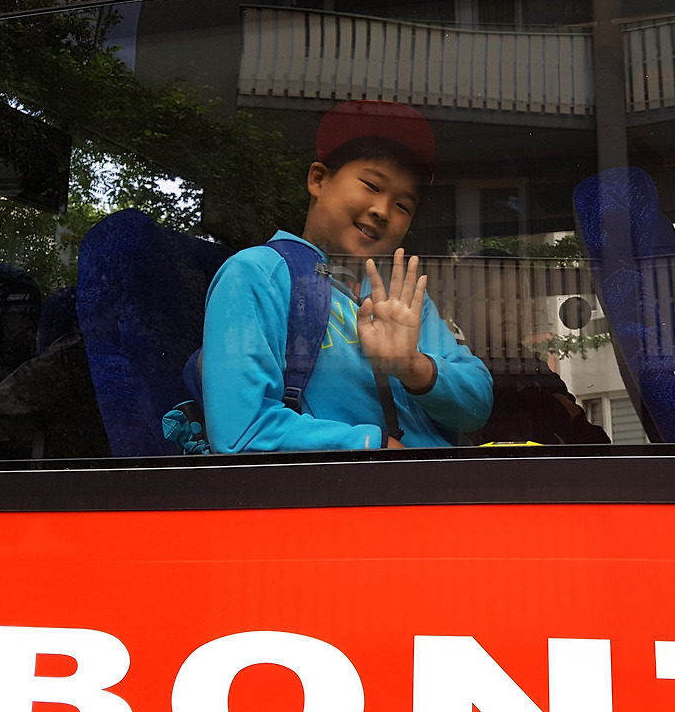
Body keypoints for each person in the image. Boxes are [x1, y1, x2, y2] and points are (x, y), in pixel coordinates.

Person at [199, 100, 493, 452]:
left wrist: (412, 366)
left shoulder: (402, 297)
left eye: (403, 205)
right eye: (372, 185)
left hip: (442, 481)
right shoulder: (260, 275)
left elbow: (477, 407)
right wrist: (373, 447)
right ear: (318, 180)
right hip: (366, 485)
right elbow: (241, 433)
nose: (382, 211)